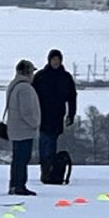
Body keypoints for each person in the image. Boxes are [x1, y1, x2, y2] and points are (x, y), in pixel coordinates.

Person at [31, 48, 77, 182]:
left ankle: (48, 170)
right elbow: (32, 96)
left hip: (57, 116)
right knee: (44, 143)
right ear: (49, 60)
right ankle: (46, 169)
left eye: (58, 60)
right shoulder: (40, 76)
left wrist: (71, 115)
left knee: (50, 143)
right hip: (42, 115)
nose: (56, 62)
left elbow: (72, 97)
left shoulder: (65, 77)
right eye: (53, 60)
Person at [4, 59, 41, 196]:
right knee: (22, 159)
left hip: (14, 128)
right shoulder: (25, 88)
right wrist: (35, 123)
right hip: (23, 130)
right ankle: (20, 185)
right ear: (28, 72)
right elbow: (27, 111)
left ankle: (14, 184)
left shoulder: (14, 85)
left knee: (17, 158)